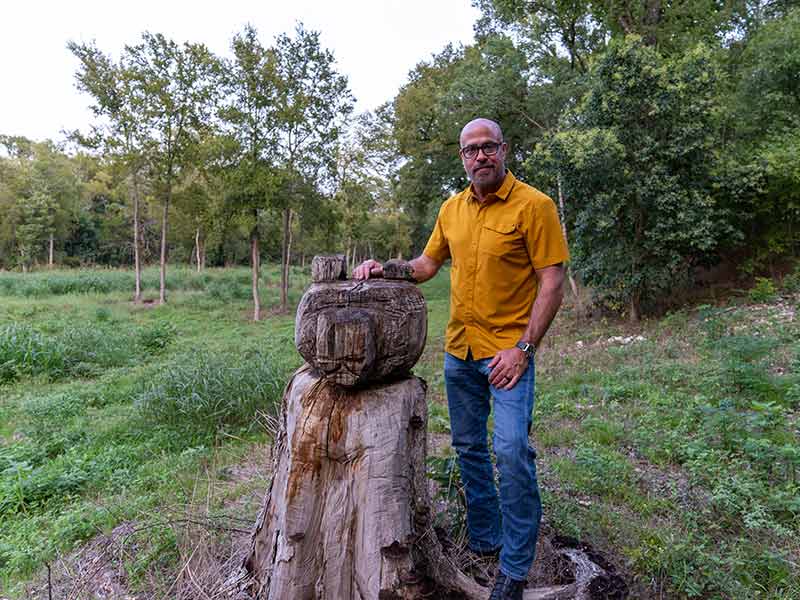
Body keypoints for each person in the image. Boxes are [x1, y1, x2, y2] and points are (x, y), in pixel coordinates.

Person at [354, 117, 569, 600]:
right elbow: (427, 265)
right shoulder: (452, 209)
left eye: (488, 147)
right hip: (460, 353)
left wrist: (523, 349)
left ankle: (514, 567)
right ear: (462, 157)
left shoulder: (535, 206)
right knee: (469, 448)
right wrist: (383, 267)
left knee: (511, 451)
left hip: (508, 356)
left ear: (504, 150)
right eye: (471, 150)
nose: (480, 156)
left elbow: (552, 282)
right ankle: (487, 537)